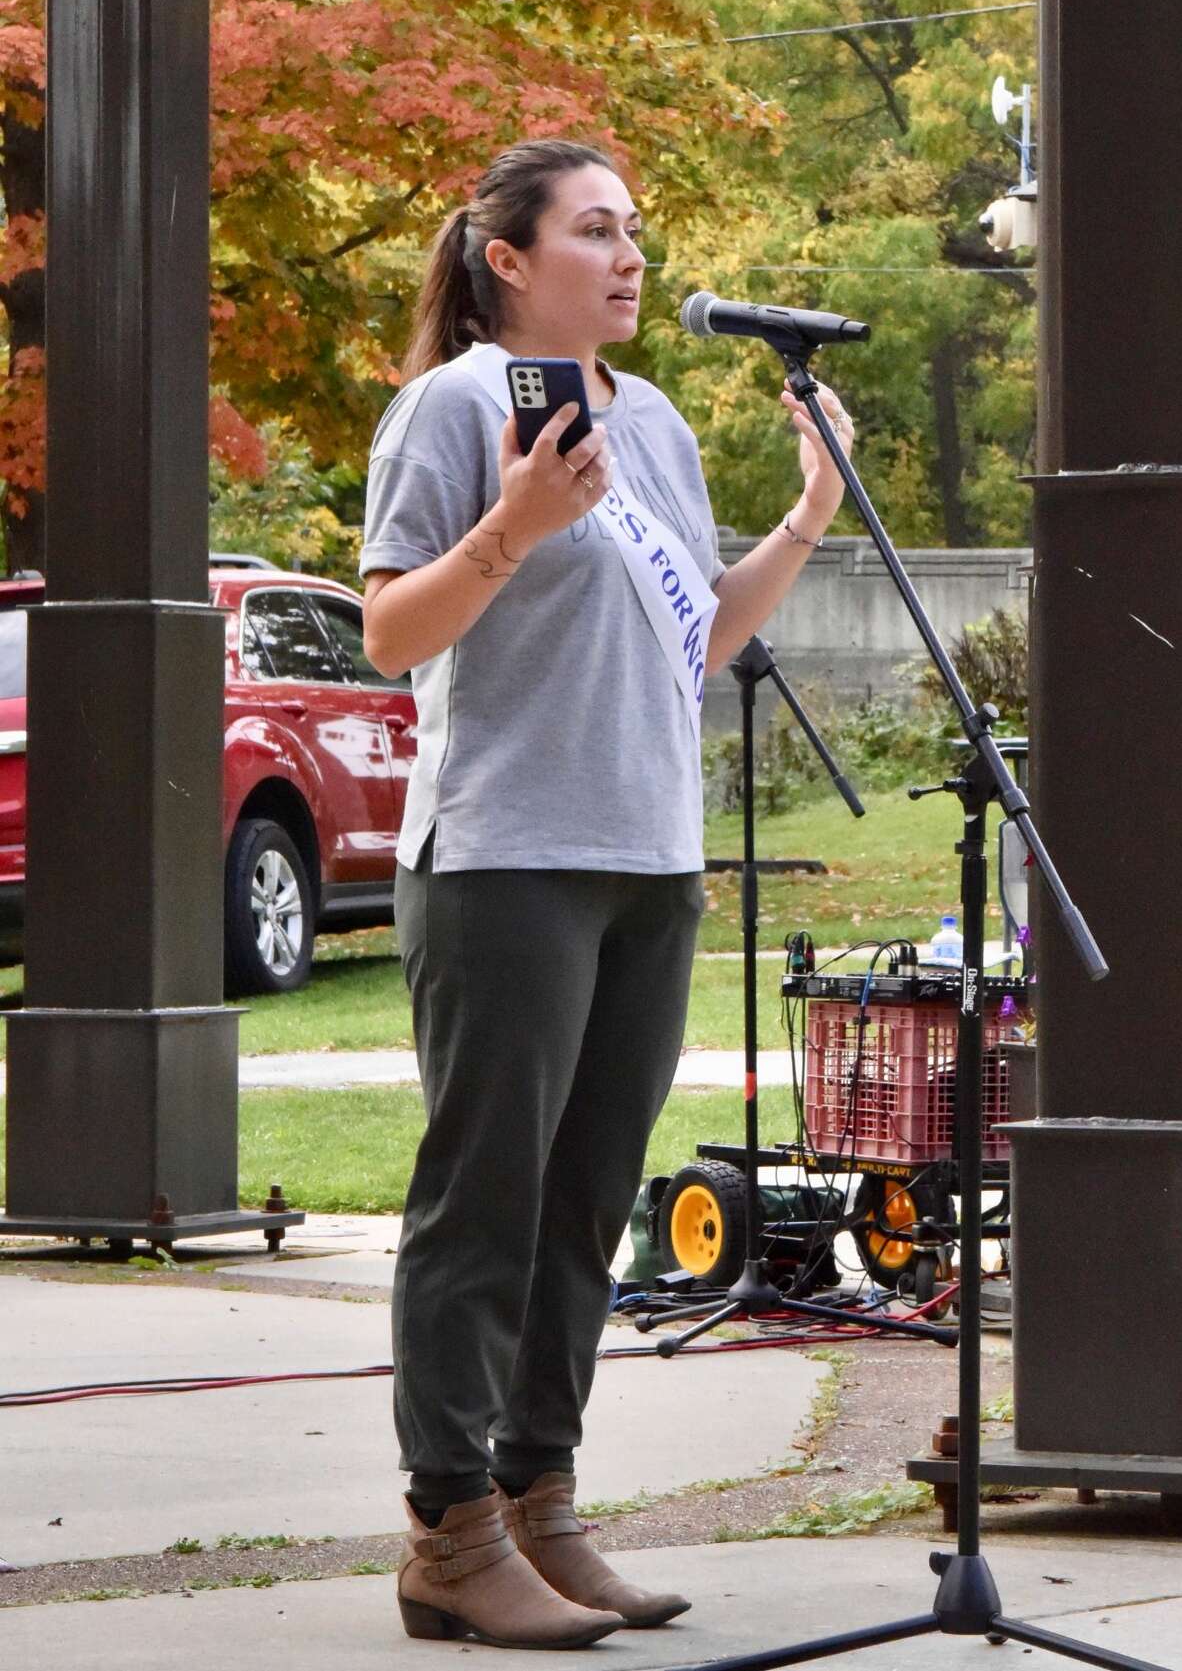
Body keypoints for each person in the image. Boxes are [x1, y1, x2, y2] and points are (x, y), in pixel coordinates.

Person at [361, 138, 853, 1651]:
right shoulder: (449, 408)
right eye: (595, 229)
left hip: (648, 855)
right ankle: (449, 1530)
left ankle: (542, 1502)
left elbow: (691, 640)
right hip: (507, 854)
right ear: (507, 259)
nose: (630, 254)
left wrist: (814, 511)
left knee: (584, 1209)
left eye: (635, 228)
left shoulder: (652, 425)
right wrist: (514, 526)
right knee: (486, 1202)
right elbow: (388, 630)